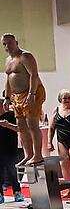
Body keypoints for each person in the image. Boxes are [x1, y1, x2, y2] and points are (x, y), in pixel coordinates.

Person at [2, 33, 46, 166]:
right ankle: (29, 154)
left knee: (32, 125)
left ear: (16, 42)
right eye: (4, 44)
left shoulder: (25, 56)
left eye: (9, 43)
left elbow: (34, 75)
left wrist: (32, 94)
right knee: (21, 127)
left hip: (31, 92)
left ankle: (38, 155)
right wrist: (7, 98)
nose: (7, 46)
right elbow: (8, 80)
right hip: (17, 96)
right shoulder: (8, 60)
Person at [0, 99, 24, 202]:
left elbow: (20, 128)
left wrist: (7, 125)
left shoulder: (11, 115)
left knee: (12, 171)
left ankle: (17, 192)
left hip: (9, 148)